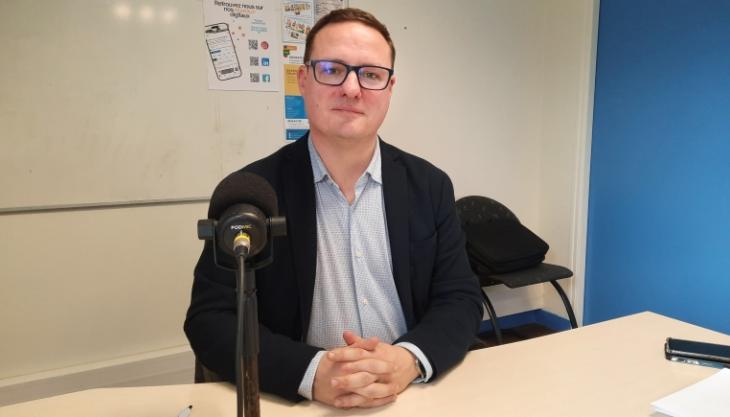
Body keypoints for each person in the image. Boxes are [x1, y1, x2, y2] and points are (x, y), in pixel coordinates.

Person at [184, 7, 483, 409]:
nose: (352, 89)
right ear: (304, 80)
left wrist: (408, 359)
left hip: (409, 396)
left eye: (371, 74)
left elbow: (460, 297)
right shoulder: (252, 193)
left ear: (389, 88)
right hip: (300, 402)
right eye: (332, 69)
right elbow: (211, 319)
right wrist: (311, 372)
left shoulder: (429, 185)